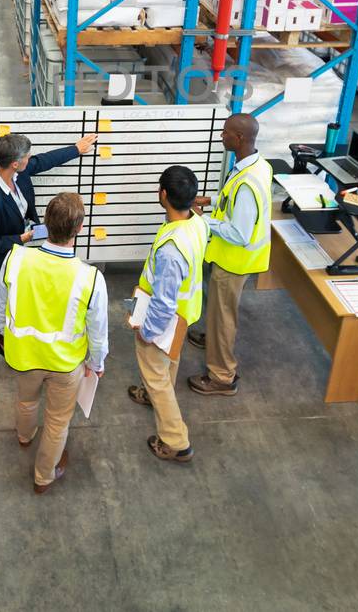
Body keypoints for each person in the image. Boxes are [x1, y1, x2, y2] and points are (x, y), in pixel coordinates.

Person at [0, 129, 98, 398]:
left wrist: (76, 148)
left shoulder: (16, 174)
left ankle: (3, 343)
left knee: (12, 307)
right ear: (15, 163)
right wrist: (18, 238)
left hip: (16, 259)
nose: (30, 159)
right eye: (27, 157)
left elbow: (44, 161)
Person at [0, 192, 107, 493]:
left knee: (26, 400)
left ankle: (24, 435)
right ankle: (44, 476)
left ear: (46, 222)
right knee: (57, 421)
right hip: (65, 364)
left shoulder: (16, 258)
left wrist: (5, 337)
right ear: (79, 228)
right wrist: (97, 363)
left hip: (24, 357)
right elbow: (97, 330)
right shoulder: (90, 278)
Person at [186, 112, 272, 397]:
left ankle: (222, 376)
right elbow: (236, 203)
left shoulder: (247, 182)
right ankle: (212, 338)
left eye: (225, 133)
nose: (221, 136)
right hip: (233, 258)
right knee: (218, 313)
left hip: (234, 261)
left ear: (239, 138)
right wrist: (210, 200)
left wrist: (202, 219)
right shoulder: (256, 166)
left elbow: (239, 233)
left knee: (224, 318)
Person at [128, 165, 207, 463]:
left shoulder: (172, 249)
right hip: (184, 317)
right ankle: (151, 394)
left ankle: (176, 441)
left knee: (156, 374)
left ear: (163, 194)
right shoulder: (197, 223)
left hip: (164, 320)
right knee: (168, 363)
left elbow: (163, 301)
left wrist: (147, 331)